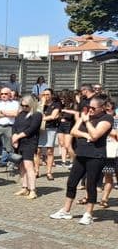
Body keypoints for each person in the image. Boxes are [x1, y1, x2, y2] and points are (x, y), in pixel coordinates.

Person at [50, 95, 112, 225]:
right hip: (81, 154)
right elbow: (73, 131)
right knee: (71, 182)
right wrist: (85, 132)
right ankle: (66, 210)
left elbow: (95, 136)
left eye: (93, 108)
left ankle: (88, 213)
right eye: (88, 107)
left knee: (91, 185)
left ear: (102, 108)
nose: (90, 110)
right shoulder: (86, 116)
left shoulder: (106, 118)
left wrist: (87, 122)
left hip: (95, 156)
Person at [12, 95, 43, 199]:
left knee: (28, 165)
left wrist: (18, 136)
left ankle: (33, 190)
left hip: (29, 142)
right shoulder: (20, 114)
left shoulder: (37, 115)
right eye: (22, 105)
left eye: (26, 106)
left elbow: (32, 129)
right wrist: (14, 137)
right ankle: (24, 187)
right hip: (19, 142)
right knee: (21, 166)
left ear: (31, 105)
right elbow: (15, 126)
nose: (24, 107)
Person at [37, 89, 61, 180]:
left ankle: (49, 172)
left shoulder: (56, 104)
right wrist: (42, 104)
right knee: (38, 150)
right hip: (39, 129)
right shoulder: (39, 104)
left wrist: (43, 118)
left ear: (51, 95)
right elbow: (37, 114)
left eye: (47, 94)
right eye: (44, 94)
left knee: (50, 151)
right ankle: (36, 170)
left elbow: (53, 116)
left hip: (51, 128)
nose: (45, 96)